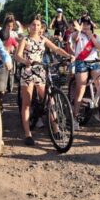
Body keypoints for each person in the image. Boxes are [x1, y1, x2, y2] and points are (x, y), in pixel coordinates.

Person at [14, 15, 73, 146]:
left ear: (41, 28)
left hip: (41, 71)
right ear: (29, 27)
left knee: (49, 100)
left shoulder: (43, 39)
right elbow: (17, 56)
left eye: (38, 25)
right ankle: (28, 134)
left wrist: (68, 55)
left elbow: (56, 49)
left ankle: (56, 129)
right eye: (33, 25)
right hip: (28, 71)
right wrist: (25, 61)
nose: (36, 27)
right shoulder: (25, 39)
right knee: (27, 103)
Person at [71, 16, 100, 128]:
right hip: (81, 62)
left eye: (88, 24)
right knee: (80, 90)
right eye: (83, 24)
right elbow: (73, 38)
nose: (86, 26)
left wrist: (91, 36)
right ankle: (75, 117)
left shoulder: (95, 36)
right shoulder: (77, 35)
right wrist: (79, 30)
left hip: (94, 62)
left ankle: (99, 111)